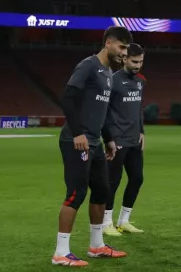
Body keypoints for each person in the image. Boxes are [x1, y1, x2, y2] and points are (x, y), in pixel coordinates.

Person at [52, 25, 133, 267]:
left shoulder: (108, 73)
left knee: (102, 191)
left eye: (126, 49)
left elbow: (103, 112)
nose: (124, 53)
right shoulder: (88, 65)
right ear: (108, 43)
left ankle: (96, 246)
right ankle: (61, 252)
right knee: (76, 193)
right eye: (121, 47)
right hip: (76, 140)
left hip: (95, 142)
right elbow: (67, 98)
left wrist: (108, 138)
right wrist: (78, 133)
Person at [101, 43, 148, 236]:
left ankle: (124, 221)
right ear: (125, 59)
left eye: (141, 62)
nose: (138, 65)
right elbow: (103, 111)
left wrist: (142, 131)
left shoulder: (141, 81)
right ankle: (106, 223)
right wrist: (109, 138)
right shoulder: (112, 80)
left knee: (137, 179)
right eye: (134, 61)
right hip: (117, 139)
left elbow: (138, 109)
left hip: (134, 139)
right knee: (113, 181)